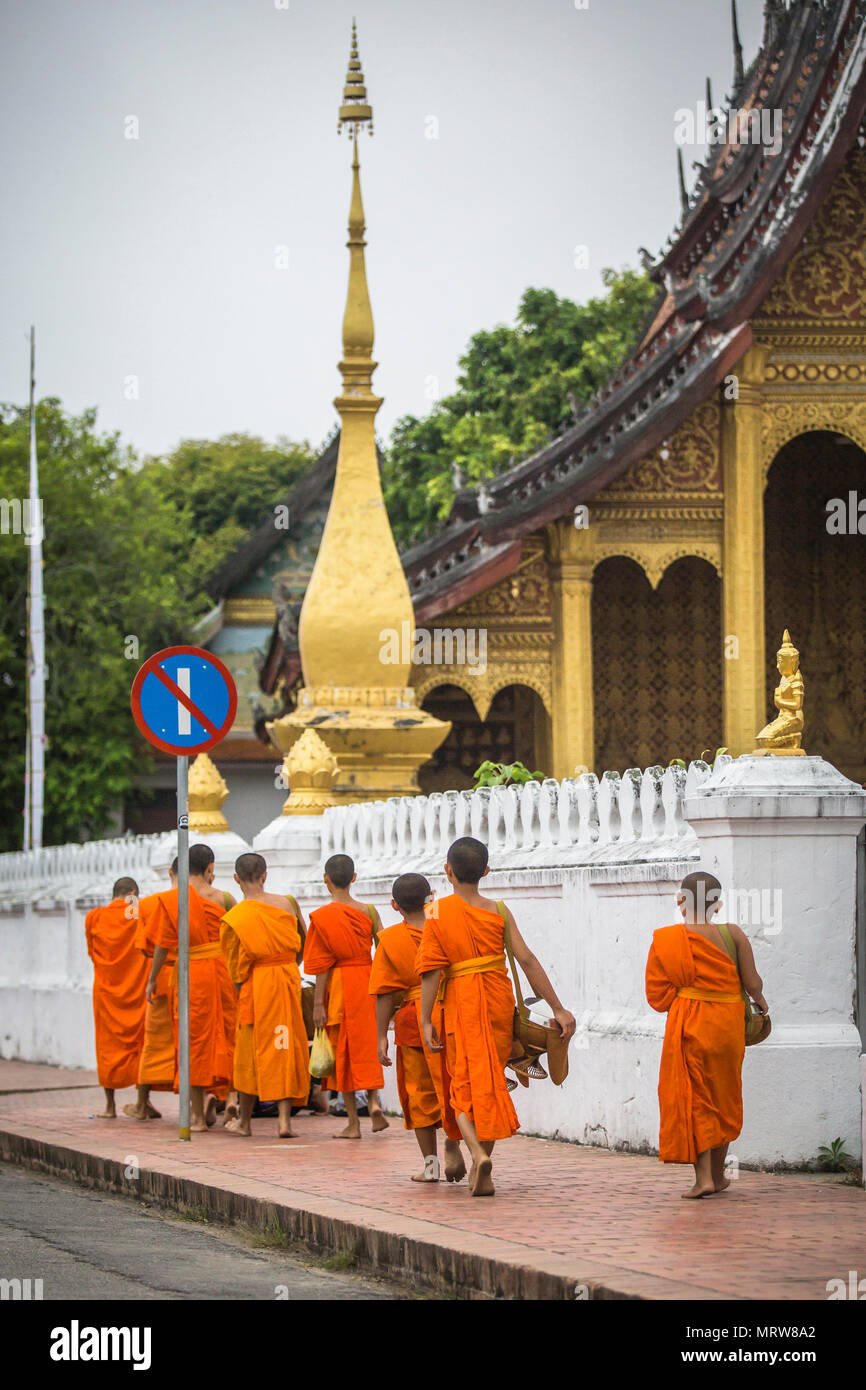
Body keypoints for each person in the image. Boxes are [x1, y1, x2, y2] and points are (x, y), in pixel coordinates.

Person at [417, 836, 576, 1197]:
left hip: (459, 1003)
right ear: (486, 871)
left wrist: (426, 1019)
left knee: (463, 1087)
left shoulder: (437, 911)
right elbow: (527, 960)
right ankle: (479, 1163)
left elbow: (430, 971)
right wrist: (557, 1007)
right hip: (496, 1001)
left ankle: (475, 1153)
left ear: (447, 872)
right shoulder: (499, 910)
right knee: (491, 1079)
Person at [645, 868, 769, 1199]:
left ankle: (704, 1179)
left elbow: (657, 997)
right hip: (728, 1026)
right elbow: (752, 982)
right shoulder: (734, 934)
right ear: (718, 905)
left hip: (690, 1024)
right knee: (723, 1096)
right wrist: (761, 1003)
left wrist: (688, 995)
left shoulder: (667, 941)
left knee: (695, 1097)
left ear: (681, 901)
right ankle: (719, 1174)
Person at [369, 872, 466, 1182]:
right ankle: (454, 1142)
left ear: (394, 905)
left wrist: (382, 1034)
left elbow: (386, 992)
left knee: (421, 1093)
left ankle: (431, 1167)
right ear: (432, 897)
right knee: (456, 1085)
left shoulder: (391, 940)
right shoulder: (450, 929)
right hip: (453, 1013)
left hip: (414, 1020)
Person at [219, 852, 310, 1139]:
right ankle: (285, 1122)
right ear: (265, 875)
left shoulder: (234, 918)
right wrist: (288, 968)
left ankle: (245, 1122)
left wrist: (242, 990)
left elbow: (235, 968)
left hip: (255, 985)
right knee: (284, 1046)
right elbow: (303, 942)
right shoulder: (286, 903)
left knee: (250, 1052)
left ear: (236, 879)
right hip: (285, 980)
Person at [145, 845, 234, 1131]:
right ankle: (231, 1098)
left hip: (190, 974)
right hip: (222, 971)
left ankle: (196, 1117)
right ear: (210, 868)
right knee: (228, 1035)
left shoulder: (175, 899)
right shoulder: (225, 898)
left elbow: (162, 945)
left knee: (192, 1041)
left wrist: (152, 979)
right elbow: (237, 936)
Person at [304, 853, 388, 1139]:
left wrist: (318, 1004)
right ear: (354, 878)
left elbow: (320, 964)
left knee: (344, 1052)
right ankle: (374, 1102)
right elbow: (385, 948)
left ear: (325, 879)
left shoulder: (323, 917)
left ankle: (353, 1123)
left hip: (339, 985)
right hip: (367, 980)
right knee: (367, 1045)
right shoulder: (369, 911)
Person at [84, 877, 149, 1119]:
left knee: (106, 1046)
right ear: (132, 893)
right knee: (141, 1046)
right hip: (137, 990)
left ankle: (110, 1106)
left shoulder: (94, 917)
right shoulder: (137, 914)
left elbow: (92, 953)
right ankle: (142, 1103)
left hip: (106, 991)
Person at [123, 863, 179, 1120]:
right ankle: (206, 1101)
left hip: (163, 978)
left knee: (154, 1043)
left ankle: (141, 1102)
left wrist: (152, 978)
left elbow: (148, 947)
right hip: (195, 978)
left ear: (170, 873)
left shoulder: (148, 904)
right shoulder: (207, 900)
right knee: (194, 1041)